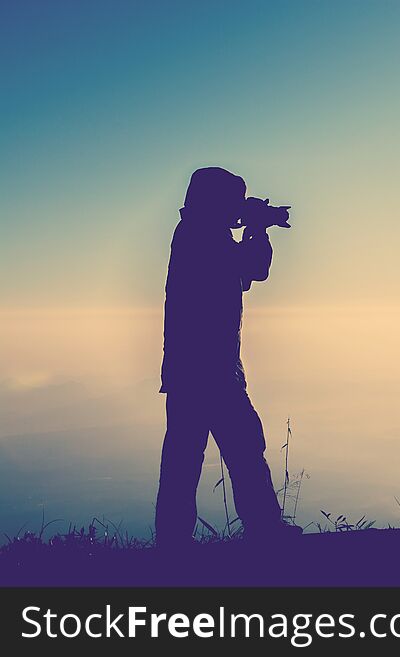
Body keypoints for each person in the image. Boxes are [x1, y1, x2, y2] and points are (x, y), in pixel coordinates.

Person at [155, 166, 296, 548]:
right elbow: (254, 268)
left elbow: (248, 273)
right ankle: (265, 532)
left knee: (186, 460)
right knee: (242, 451)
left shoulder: (197, 233)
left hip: (194, 370)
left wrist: (251, 225)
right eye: (233, 201)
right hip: (212, 371)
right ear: (215, 201)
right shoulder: (203, 237)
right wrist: (256, 227)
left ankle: (173, 545)